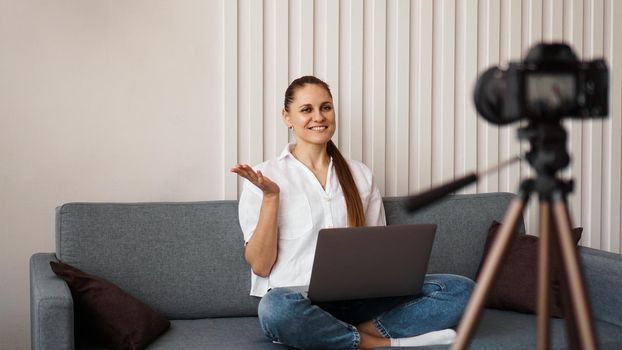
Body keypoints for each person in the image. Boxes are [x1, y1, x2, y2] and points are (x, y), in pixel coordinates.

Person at [231, 76, 474, 349]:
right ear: (287, 117)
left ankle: (341, 335)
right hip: (298, 300)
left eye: (326, 107)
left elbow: (378, 253)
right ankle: (381, 343)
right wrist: (271, 197)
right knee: (274, 309)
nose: (318, 117)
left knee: (462, 289)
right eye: (306, 109)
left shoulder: (359, 174)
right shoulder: (265, 177)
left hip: (359, 299)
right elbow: (261, 265)